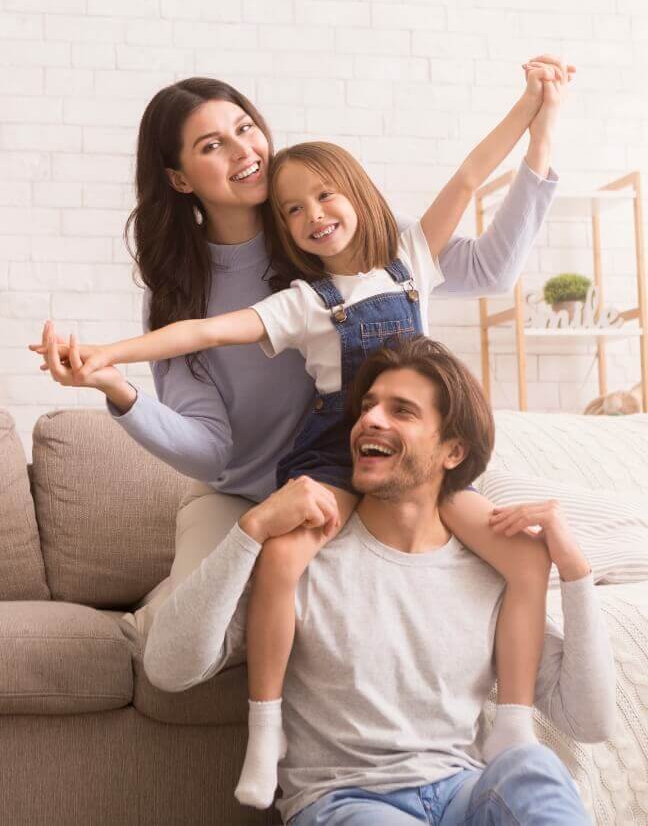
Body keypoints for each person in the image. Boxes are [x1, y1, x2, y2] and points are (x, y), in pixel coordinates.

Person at [32, 58, 571, 808]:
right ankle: (266, 729)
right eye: (211, 145)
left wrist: (539, 122)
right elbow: (211, 431)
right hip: (267, 481)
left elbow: (475, 210)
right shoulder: (251, 296)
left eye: (245, 127)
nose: (242, 150)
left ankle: (505, 733)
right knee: (207, 620)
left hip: (391, 465)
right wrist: (111, 374)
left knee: (516, 541)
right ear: (180, 177)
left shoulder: (366, 248)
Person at [142, 337, 616, 825]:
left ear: (453, 451)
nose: (370, 419)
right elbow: (167, 666)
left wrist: (575, 572)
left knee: (533, 767)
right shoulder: (302, 560)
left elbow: (590, 720)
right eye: (368, 407)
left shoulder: (491, 573)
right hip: (347, 802)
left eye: (402, 411)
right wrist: (252, 529)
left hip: (464, 793)